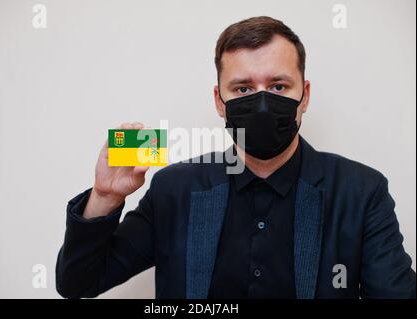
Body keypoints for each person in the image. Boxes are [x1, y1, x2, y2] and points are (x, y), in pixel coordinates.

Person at [56, 16, 416, 299]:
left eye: (278, 87)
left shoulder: (361, 191)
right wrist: (104, 198)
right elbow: (78, 283)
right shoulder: (175, 189)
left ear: (304, 97)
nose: (261, 103)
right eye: (243, 88)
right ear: (219, 101)